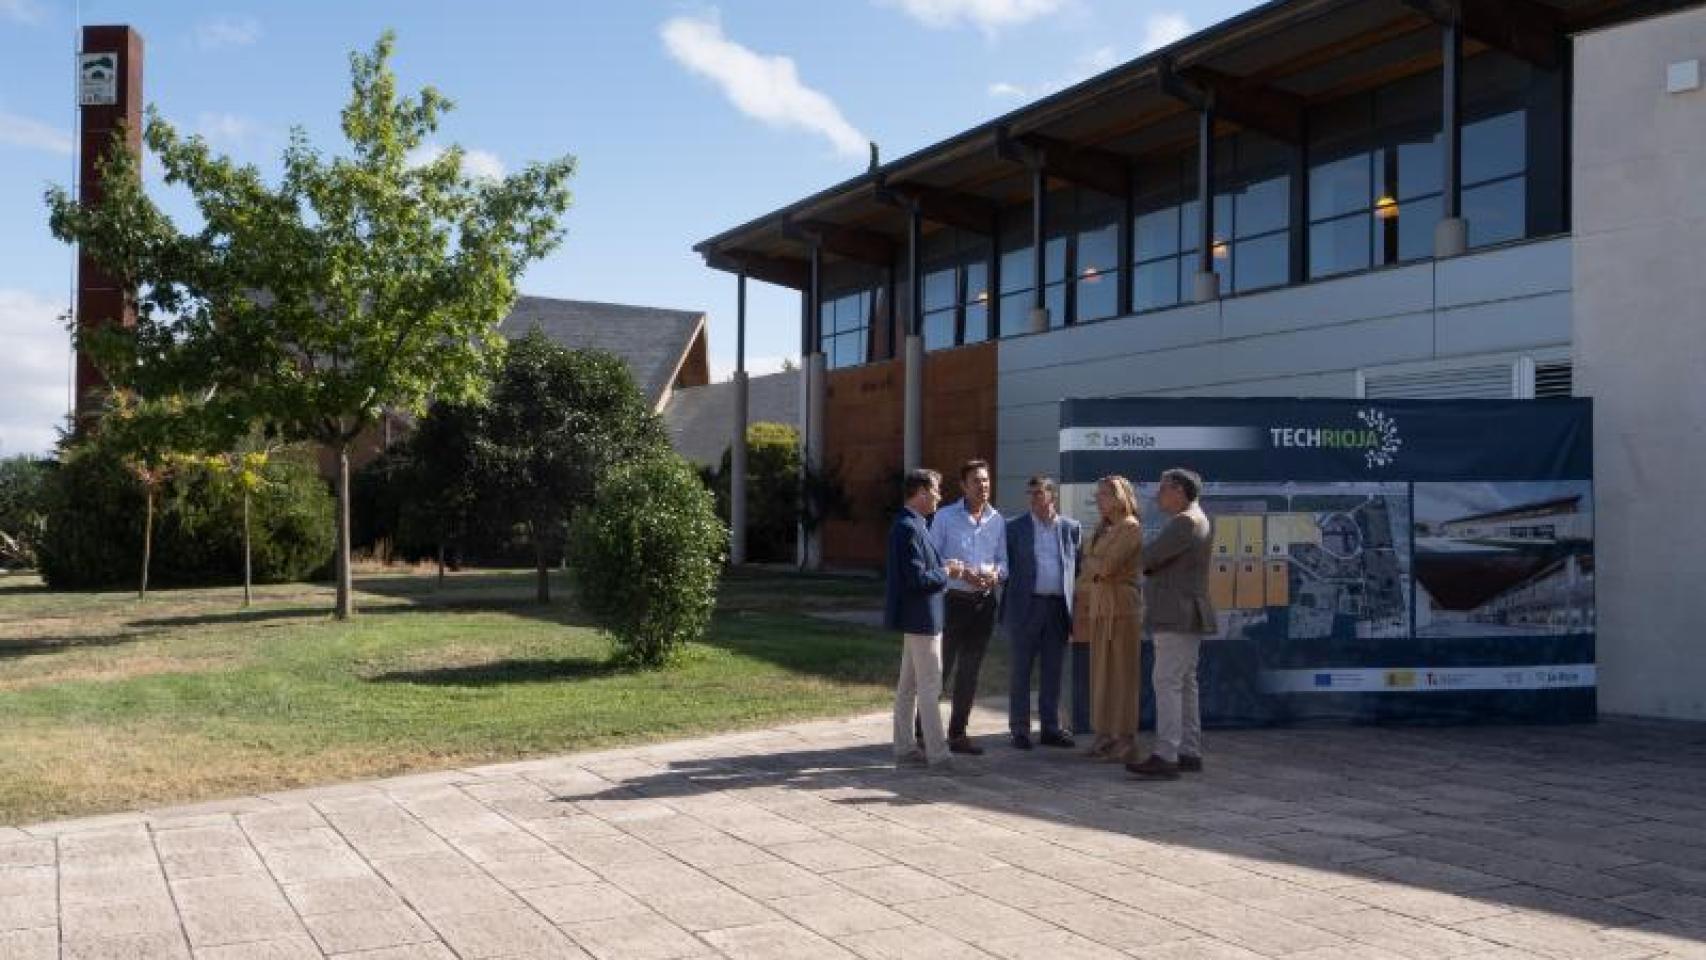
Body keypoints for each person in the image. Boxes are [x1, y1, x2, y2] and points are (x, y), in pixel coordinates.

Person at [1129, 468, 1217, 781]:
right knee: (1184, 684)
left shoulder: (1184, 522)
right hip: (1187, 613)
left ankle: (1166, 754)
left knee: (1167, 682)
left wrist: (1146, 558)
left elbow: (1149, 557)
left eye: (1164, 489)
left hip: (1176, 614)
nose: (1158, 495)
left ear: (1179, 490)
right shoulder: (1198, 518)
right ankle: (1189, 751)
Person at [927, 459, 1007, 755]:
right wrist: (960, 573)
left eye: (986, 480)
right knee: (940, 670)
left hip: (983, 604)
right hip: (952, 603)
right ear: (963, 486)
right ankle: (925, 735)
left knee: (970, 672)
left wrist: (996, 575)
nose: (983, 486)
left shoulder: (997, 520)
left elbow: (1004, 561)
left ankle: (958, 734)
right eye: (977, 481)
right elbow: (932, 559)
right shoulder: (945, 517)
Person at [885, 468, 964, 769]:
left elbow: (920, 570)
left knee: (908, 686)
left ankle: (905, 748)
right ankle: (938, 753)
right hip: (922, 619)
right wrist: (947, 573)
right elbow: (917, 579)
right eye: (935, 491)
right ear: (920, 493)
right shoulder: (909, 528)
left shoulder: (914, 524)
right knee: (930, 687)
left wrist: (944, 566)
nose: (939, 498)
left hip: (919, 618)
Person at [1002, 475, 1082, 750]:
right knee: (1021, 671)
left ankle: (1050, 728)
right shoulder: (1014, 528)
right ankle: (1020, 729)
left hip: (1058, 608)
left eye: (1039, 493)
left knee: (1053, 671)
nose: (1034, 498)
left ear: (1053, 496)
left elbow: (1078, 571)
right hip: (1026, 606)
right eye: (1030, 493)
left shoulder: (1071, 528)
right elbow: (1004, 566)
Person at [1074, 475, 1145, 763]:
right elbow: (1089, 570)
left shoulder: (1130, 527)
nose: (1099, 500)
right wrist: (1094, 568)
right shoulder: (1102, 529)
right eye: (1097, 494)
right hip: (1100, 606)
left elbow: (1107, 567)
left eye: (1104, 494)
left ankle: (1125, 738)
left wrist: (1093, 566)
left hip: (1122, 607)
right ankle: (1103, 734)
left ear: (1119, 497)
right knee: (1101, 673)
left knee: (1122, 674)